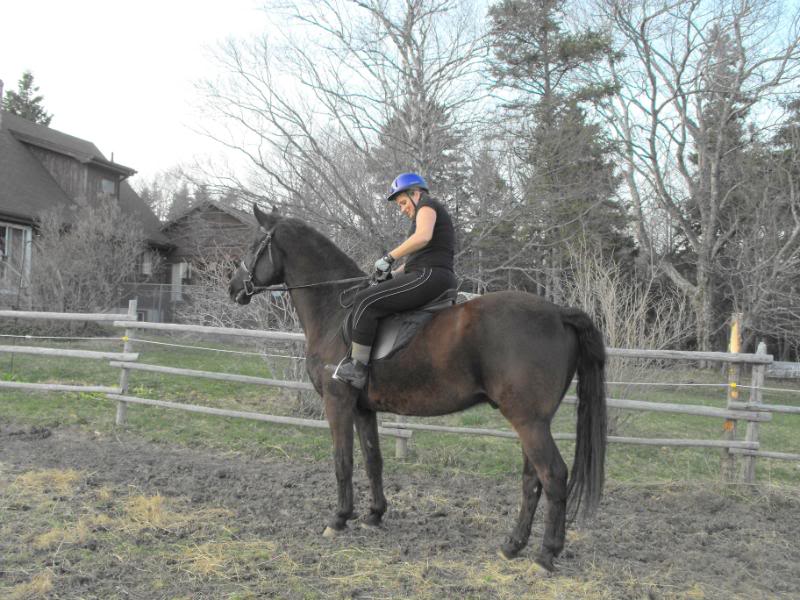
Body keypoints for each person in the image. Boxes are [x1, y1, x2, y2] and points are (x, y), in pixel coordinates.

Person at [330, 172, 457, 389]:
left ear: (415, 193)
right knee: (372, 294)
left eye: (403, 202)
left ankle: (357, 367)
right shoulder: (424, 212)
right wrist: (390, 275)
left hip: (429, 276)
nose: (403, 209)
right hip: (426, 273)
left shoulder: (427, 205)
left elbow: (423, 237)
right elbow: (415, 259)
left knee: (365, 301)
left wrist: (389, 257)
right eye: (399, 205)